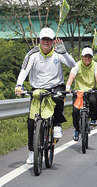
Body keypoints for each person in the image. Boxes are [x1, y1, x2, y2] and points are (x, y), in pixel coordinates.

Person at [15, 27, 76, 164]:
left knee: (57, 97)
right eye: (44, 39)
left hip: (55, 86)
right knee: (31, 122)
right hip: (38, 89)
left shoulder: (58, 51)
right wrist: (19, 85)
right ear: (40, 40)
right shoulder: (32, 54)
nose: (46, 42)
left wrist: (65, 53)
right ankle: (32, 151)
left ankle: (57, 124)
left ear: (53, 41)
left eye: (49, 40)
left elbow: (73, 64)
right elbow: (24, 70)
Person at [66, 47, 97, 141]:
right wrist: (68, 87)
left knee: (93, 101)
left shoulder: (96, 65)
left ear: (92, 57)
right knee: (75, 111)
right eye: (85, 56)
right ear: (82, 57)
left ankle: (93, 120)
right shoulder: (76, 65)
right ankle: (77, 129)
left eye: (89, 57)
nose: (87, 58)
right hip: (79, 92)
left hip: (90, 90)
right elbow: (71, 77)